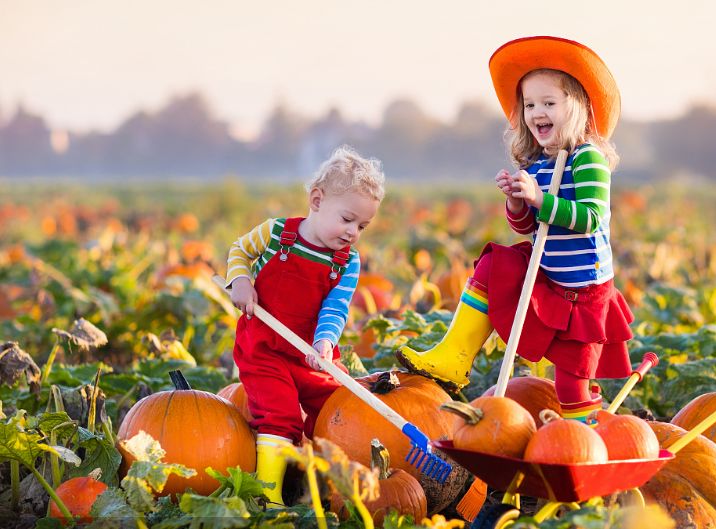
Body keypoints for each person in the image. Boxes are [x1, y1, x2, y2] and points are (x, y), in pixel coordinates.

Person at [397, 36, 634, 422]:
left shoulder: (588, 158)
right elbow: (529, 229)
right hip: (551, 279)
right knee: (495, 264)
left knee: (571, 386)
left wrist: (541, 200)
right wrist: (518, 202)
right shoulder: (539, 163)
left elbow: (589, 217)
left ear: (577, 107)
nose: (536, 111)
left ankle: (582, 440)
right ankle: (453, 356)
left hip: (584, 295)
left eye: (549, 103)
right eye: (529, 104)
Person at [226, 145, 385, 505]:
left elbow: (335, 307)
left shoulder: (347, 261)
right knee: (279, 413)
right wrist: (240, 281)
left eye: (362, 226)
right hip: (264, 348)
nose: (352, 232)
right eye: (347, 220)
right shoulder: (276, 233)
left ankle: (332, 485)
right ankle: (270, 495)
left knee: (338, 409)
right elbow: (239, 251)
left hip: (311, 351)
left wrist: (325, 343)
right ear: (316, 200)